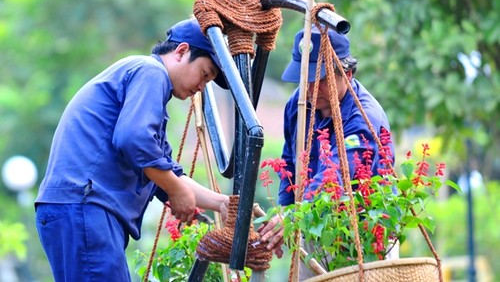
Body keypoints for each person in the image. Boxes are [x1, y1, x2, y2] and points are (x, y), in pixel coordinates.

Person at [35, 18, 230, 281]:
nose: (201, 87)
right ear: (182, 51)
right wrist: (175, 188)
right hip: (86, 206)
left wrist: (223, 203)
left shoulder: (147, 90)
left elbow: (165, 172)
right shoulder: (151, 72)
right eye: (204, 75)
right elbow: (133, 140)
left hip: (80, 208)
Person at [258, 25, 395, 279]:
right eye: (305, 79)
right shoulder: (298, 105)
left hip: (366, 234)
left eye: (320, 80)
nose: (311, 89)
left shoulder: (363, 118)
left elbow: (337, 176)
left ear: (348, 74)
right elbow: (290, 164)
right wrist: (282, 216)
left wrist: (292, 217)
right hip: (313, 227)